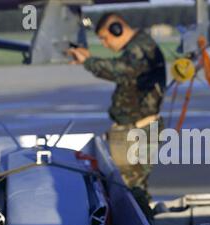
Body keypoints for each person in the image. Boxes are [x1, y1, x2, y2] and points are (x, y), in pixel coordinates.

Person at [68, 13, 166, 211]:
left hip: (138, 131)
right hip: (135, 129)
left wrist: (89, 62)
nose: (104, 44)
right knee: (131, 189)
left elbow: (121, 70)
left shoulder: (140, 47)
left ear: (117, 29)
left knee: (132, 192)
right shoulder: (138, 47)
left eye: (105, 38)